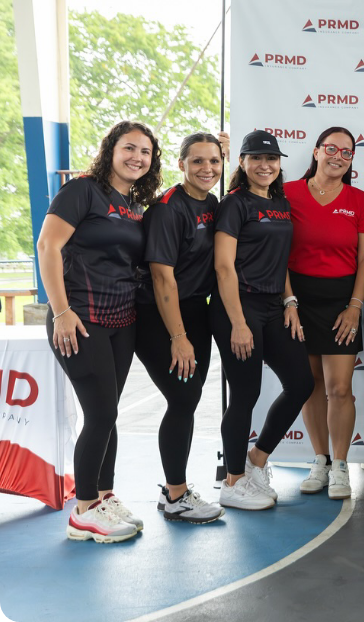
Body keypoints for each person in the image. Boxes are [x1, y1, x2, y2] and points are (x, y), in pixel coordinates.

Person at [37, 120, 162, 542]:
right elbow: (47, 246)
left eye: (145, 152)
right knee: (101, 414)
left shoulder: (133, 205)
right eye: (129, 148)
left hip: (121, 321)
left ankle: (104, 497)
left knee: (109, 415)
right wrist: (61, 311)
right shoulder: (82, 190)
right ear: (111, 149)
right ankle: (84, 510)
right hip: (79, 319)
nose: (137, 157)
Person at [211, 130, 314, 510]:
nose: (264, 165)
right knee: (245, 395)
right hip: (238, 307)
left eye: (271, 158)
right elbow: (223, 267)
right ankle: (232, 482)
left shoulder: (280, 202)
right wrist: (238, 323)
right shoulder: (234, 203)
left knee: (301, 384)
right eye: (255, 158)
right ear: (242, 162)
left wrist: (290, 301)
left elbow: (279, 258)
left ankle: (256, 460)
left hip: (274, 305)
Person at [135, 132, 226, 523]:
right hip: (158, 315)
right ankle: (175, 495)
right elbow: (161, 278)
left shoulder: (213, 203)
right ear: (181, 164)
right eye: (197, 161)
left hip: (195, 310)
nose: (207, 168)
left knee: (187, 400)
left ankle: (175, 491)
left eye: (214, 161)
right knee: (183, 398)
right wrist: (178, 337)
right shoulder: (167, 209)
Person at [285, 126, 364, 499]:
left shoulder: (360, 200)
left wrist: (354, 306)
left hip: (341, 302)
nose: (339, 156)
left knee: (340, 388)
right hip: (297, 301)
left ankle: (340, 465)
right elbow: (276, 252)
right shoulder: (287, 193)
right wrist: (289, 302)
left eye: (347, 152)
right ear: (316, 151)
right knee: (310, 385)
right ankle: (320, 460)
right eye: (332, 149)